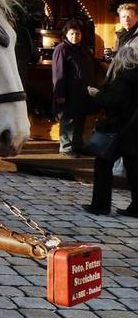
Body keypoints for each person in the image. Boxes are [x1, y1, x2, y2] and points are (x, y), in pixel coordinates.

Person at [83, 43, 138, 217]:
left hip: (120, 129)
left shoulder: (125, 77)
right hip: (134, 130)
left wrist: (97, 95)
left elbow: (116, 102)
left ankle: (100, 205)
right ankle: (137, 207)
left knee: (102, 164)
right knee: (134, 169)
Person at [52, 20, 95, 155]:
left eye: (77, 33)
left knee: (79, 119)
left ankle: (76, 145)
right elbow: (58, 73)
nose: (74, 36)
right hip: (68, 91)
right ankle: (66, 147)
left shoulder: (83, 49)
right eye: (71, 34)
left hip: (82, 91)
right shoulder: (62, 48)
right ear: (66, 34)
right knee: (68, 120)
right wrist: (60, 94)